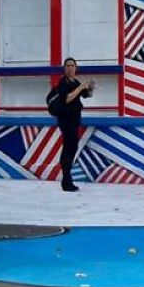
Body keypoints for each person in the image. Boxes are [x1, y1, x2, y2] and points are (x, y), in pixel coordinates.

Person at [54, 58, 94, 193]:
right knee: (68, 147)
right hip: (66, 119)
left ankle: (67, 178)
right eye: (68, 66)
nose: (70, 68)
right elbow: (67, 98)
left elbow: (86, 95)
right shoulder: (63, 82)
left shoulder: (75, 81)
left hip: (75, 119)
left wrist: (90, 88)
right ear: (64, 68)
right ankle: (66, 180)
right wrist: (80, 87)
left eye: (72, 66)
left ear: (76, 68)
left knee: (72, 147)